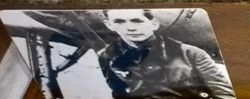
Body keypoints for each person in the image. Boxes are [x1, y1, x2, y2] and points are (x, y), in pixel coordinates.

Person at [98, 9, 236, 99]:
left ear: (154, 24)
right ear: (109, 25)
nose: (130, 28)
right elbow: (119, 94)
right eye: (119, 22)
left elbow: (224, 94)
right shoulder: (106, 56)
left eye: (137, 21)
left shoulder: (191, 54)